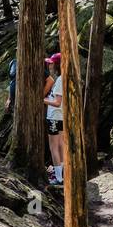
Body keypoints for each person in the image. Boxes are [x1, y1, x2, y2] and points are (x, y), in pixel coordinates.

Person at [45, 53, 64, 186]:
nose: (49, 65)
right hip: (60, 116)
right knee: (61, 145)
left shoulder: (59, 80)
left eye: (51, 63)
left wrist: (42, 100)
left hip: (54, 117)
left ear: (57, 65)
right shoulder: (64, 78)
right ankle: (61, 174)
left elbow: (57, 102)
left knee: (54, 147)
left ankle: (58, 178)